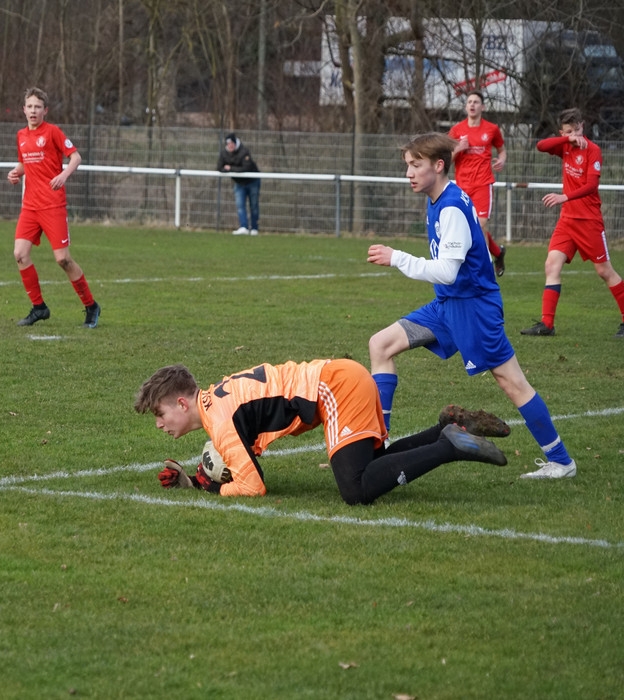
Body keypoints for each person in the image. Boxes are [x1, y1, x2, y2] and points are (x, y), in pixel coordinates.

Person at [367, 132, 576, 479]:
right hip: (447, 304)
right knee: (381, 345)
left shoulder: (451, 207)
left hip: (474, 308)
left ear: (438, 165)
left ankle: (561, 461)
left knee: (512, 382)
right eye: (407, 165)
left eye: (416, 165)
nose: (409, 173)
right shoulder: (437, 198)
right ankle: (378, 445)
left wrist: (398, 258)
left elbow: (447, 272)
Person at [134, 360, 509, 503]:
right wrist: (195, 482)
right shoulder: (217, 402)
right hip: (342, 377)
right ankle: (444, 429)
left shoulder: (220, 421)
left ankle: (448, 446)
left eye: (159, 413)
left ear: (181, 403)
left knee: (356, 489)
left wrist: (214, 489)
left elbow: (252, 486)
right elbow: (244, 459)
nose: (159, 423)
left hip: (336, 387)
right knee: (373, 465)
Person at [520, 108, 624, 339]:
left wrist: (564, 197)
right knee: (552, 265)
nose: (575, 135)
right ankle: (547, 324)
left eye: (577, 130)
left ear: (582, 126)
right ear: (562, 133)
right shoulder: (565, 146)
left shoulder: (593, 150)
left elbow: (591, 186)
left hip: (588, 220)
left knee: (604, 271)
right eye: (569, 131)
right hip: (567, 221)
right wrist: (567, 140)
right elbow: (541, 146)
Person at [7, 87, 100, 328]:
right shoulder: (21, 135)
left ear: (45, 110)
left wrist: (63, 175)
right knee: (20, 254)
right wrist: (15, 173)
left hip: (52, 206)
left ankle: (91, 306)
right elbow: (24, 163)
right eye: (30, 106)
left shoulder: (53, 132)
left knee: (63, 259)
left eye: (38, 107)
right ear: (24, 109)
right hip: (30, 207)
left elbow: (76, 157)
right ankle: (39, 307)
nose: (33, 111)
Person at [449, 91, 508, 276]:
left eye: (476, 102)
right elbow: (447, 158)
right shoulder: (457, 130)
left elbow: (502, 150)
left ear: (482, 107)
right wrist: (459, 148)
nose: (472, 105)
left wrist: (501, 160)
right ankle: (497, 252)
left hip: (483, 183)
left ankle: (485, 269)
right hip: (462, 185)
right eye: (469, 102)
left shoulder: (492, 129)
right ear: (466, 106)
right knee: (468, 226)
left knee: (480, 225)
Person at [217, 132, 260, 236]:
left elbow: (246, 168)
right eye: (228, 144)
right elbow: (219, 167)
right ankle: (243, 227)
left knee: (254, 206)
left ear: (235, 143)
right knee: (240, 205)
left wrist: (230, 168)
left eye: (232, 144)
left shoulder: (244, 151)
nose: (230, 146)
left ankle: (254, 228)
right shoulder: (224, 153)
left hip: (252, 181)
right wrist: (227, 169)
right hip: (239, 183)